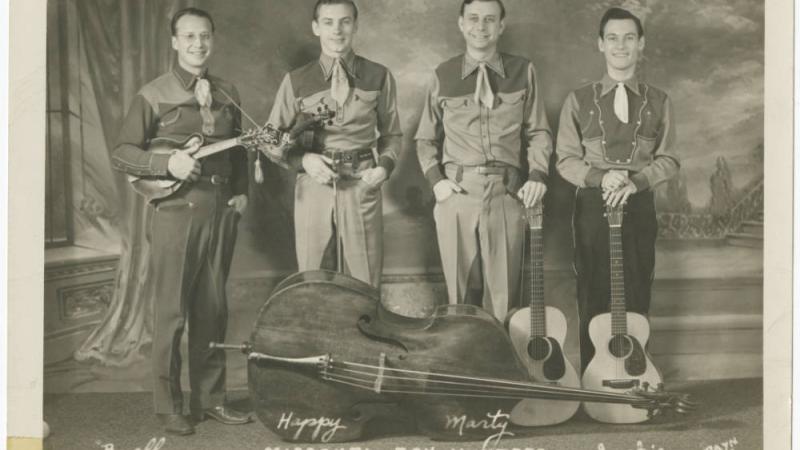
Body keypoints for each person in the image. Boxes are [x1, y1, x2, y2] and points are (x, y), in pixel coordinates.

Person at [111, 7, 251, 435]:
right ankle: (169, 405)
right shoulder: (153, 93)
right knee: (172, 310)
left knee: (213, 308)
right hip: (175, 210)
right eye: (188, 36)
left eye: (204, 35)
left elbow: (239, 147)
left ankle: (210, 399)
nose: (197, 44)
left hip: (221, 208)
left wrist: (242, 190)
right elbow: (123, 152)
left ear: (213, 39)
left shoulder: (228, 92)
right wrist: (166, 161)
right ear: (174, 42)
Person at [555, 7, 680, 370]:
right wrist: (600, 177)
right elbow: (565, 159)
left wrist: (636, 181)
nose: (620, 46)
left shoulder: (660, 100)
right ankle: (596, 380)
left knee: (638, 288)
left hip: (639, 204)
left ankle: (637, 377)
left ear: (641, 44)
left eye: (629, 38)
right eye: (612, 38)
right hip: (593, 206)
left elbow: (669, 159)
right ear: (600, 44)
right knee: (593, 290)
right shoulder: (578, 99)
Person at [415, 0, 552, 321]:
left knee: (504, 295)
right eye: (474, 19)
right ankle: (463, 366)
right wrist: (437, 182)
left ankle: (501, 367)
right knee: (459, 294)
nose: (481, 27)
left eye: (490, 20)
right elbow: (425, 138)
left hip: (506, 192)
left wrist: (538, 175)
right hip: (457, 192)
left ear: (501, 26)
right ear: (461, 24)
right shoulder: (443, 74)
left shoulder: (523, 71)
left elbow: (539, 132)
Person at [267, 0, 402, 289]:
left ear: (355, 25)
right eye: (328, 22)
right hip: (314, 183)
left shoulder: (379, 75)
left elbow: (392, 134)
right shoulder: (296, 80)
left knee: (365, 281)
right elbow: (272, 140)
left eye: (345, 21)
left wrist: (384, 168)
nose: (337, 30)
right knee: (312, 278)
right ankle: (316, 335)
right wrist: (303, 161)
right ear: (316, 28)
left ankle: (365, 334)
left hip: (362, 181)